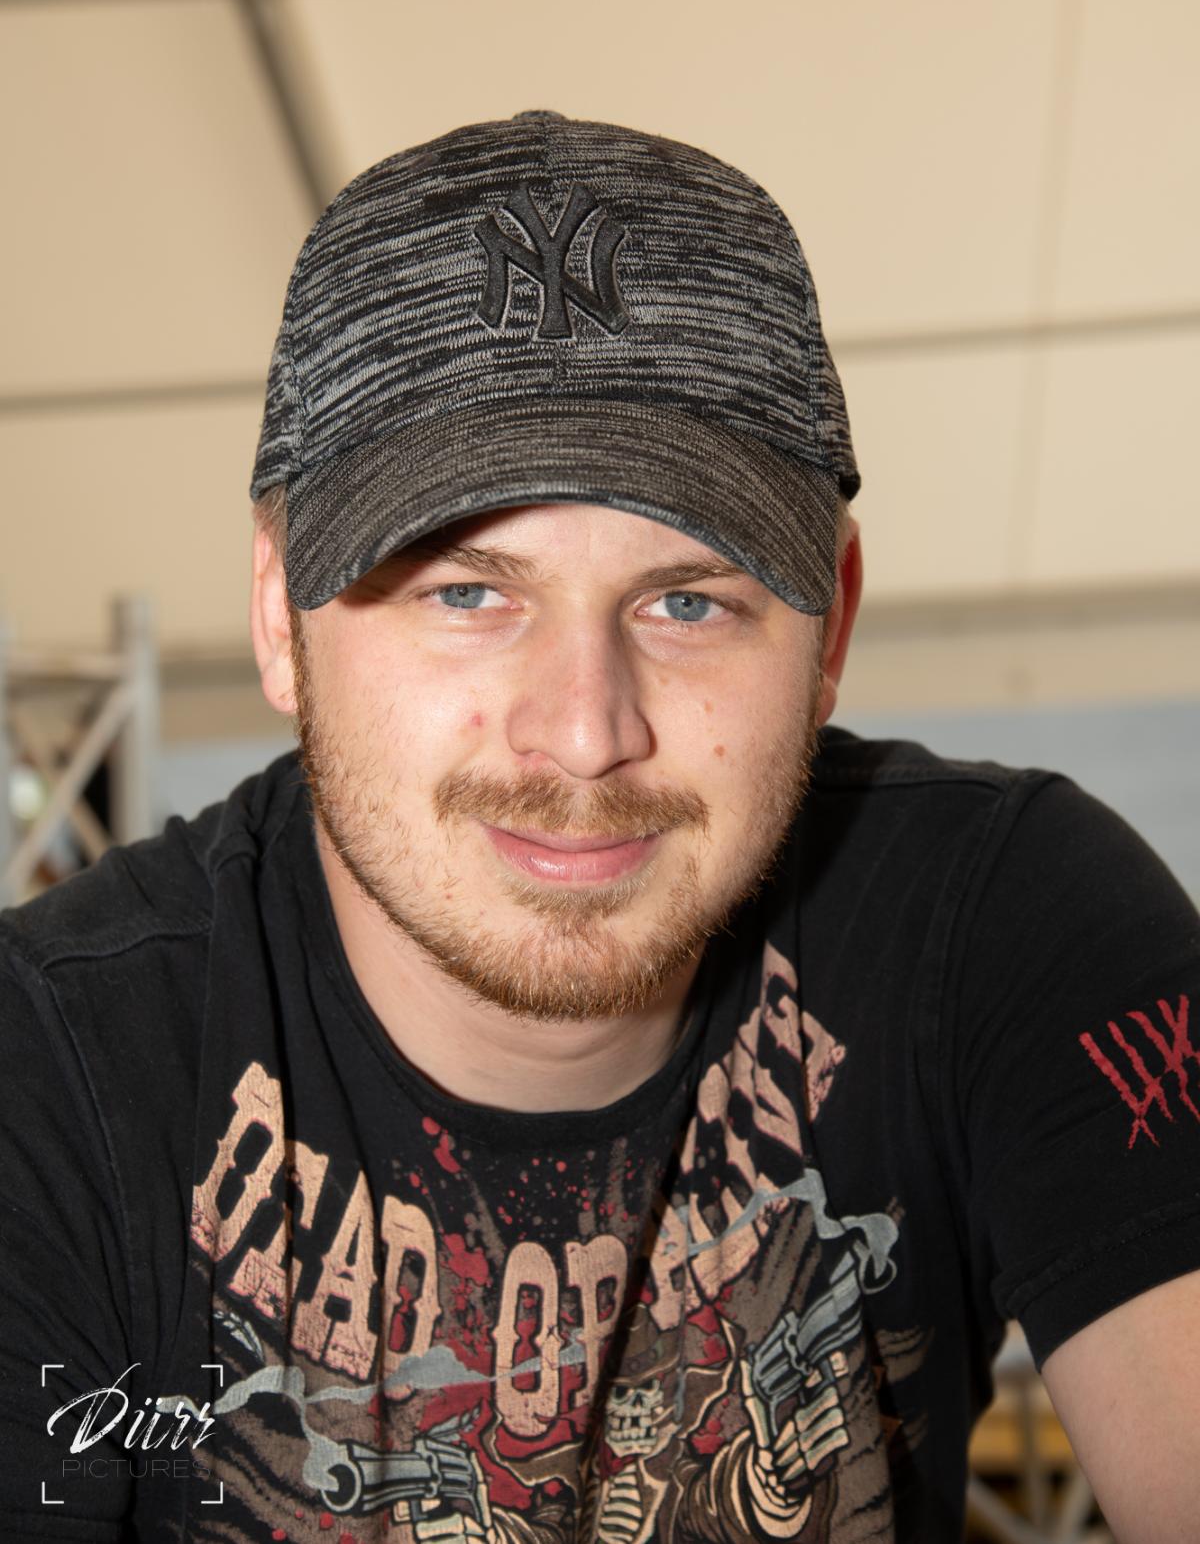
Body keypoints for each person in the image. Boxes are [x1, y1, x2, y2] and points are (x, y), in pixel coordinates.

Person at [1, 112, 1197, 1544]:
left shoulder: (1006, 925)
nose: (584, 732)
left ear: (829, 632)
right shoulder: (46, 1075)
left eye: (688, 601)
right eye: (467, 593)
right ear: (278, 615)